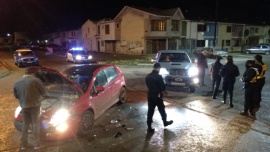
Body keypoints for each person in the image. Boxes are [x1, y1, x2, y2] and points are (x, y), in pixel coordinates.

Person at [13, 67, 47, 150]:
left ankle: (23, 145)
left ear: (25, 73)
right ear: (32, 73)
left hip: (24, 106)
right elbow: (44, 93)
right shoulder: (36, 81)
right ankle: (37, 144)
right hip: (35, 106)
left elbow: (16, 96)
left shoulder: (16, 82)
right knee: (35, 124)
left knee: (25, 124)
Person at [145, 63, 173, 132]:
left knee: (150, 111)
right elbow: (162, 87)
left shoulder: (148, 76)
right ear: (158, 68)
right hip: (157, 96)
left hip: (150, 95)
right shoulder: (159, 77)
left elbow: (148, 85)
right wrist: (163, 91)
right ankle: (165, 122)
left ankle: (149, 127)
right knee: (161, 109)